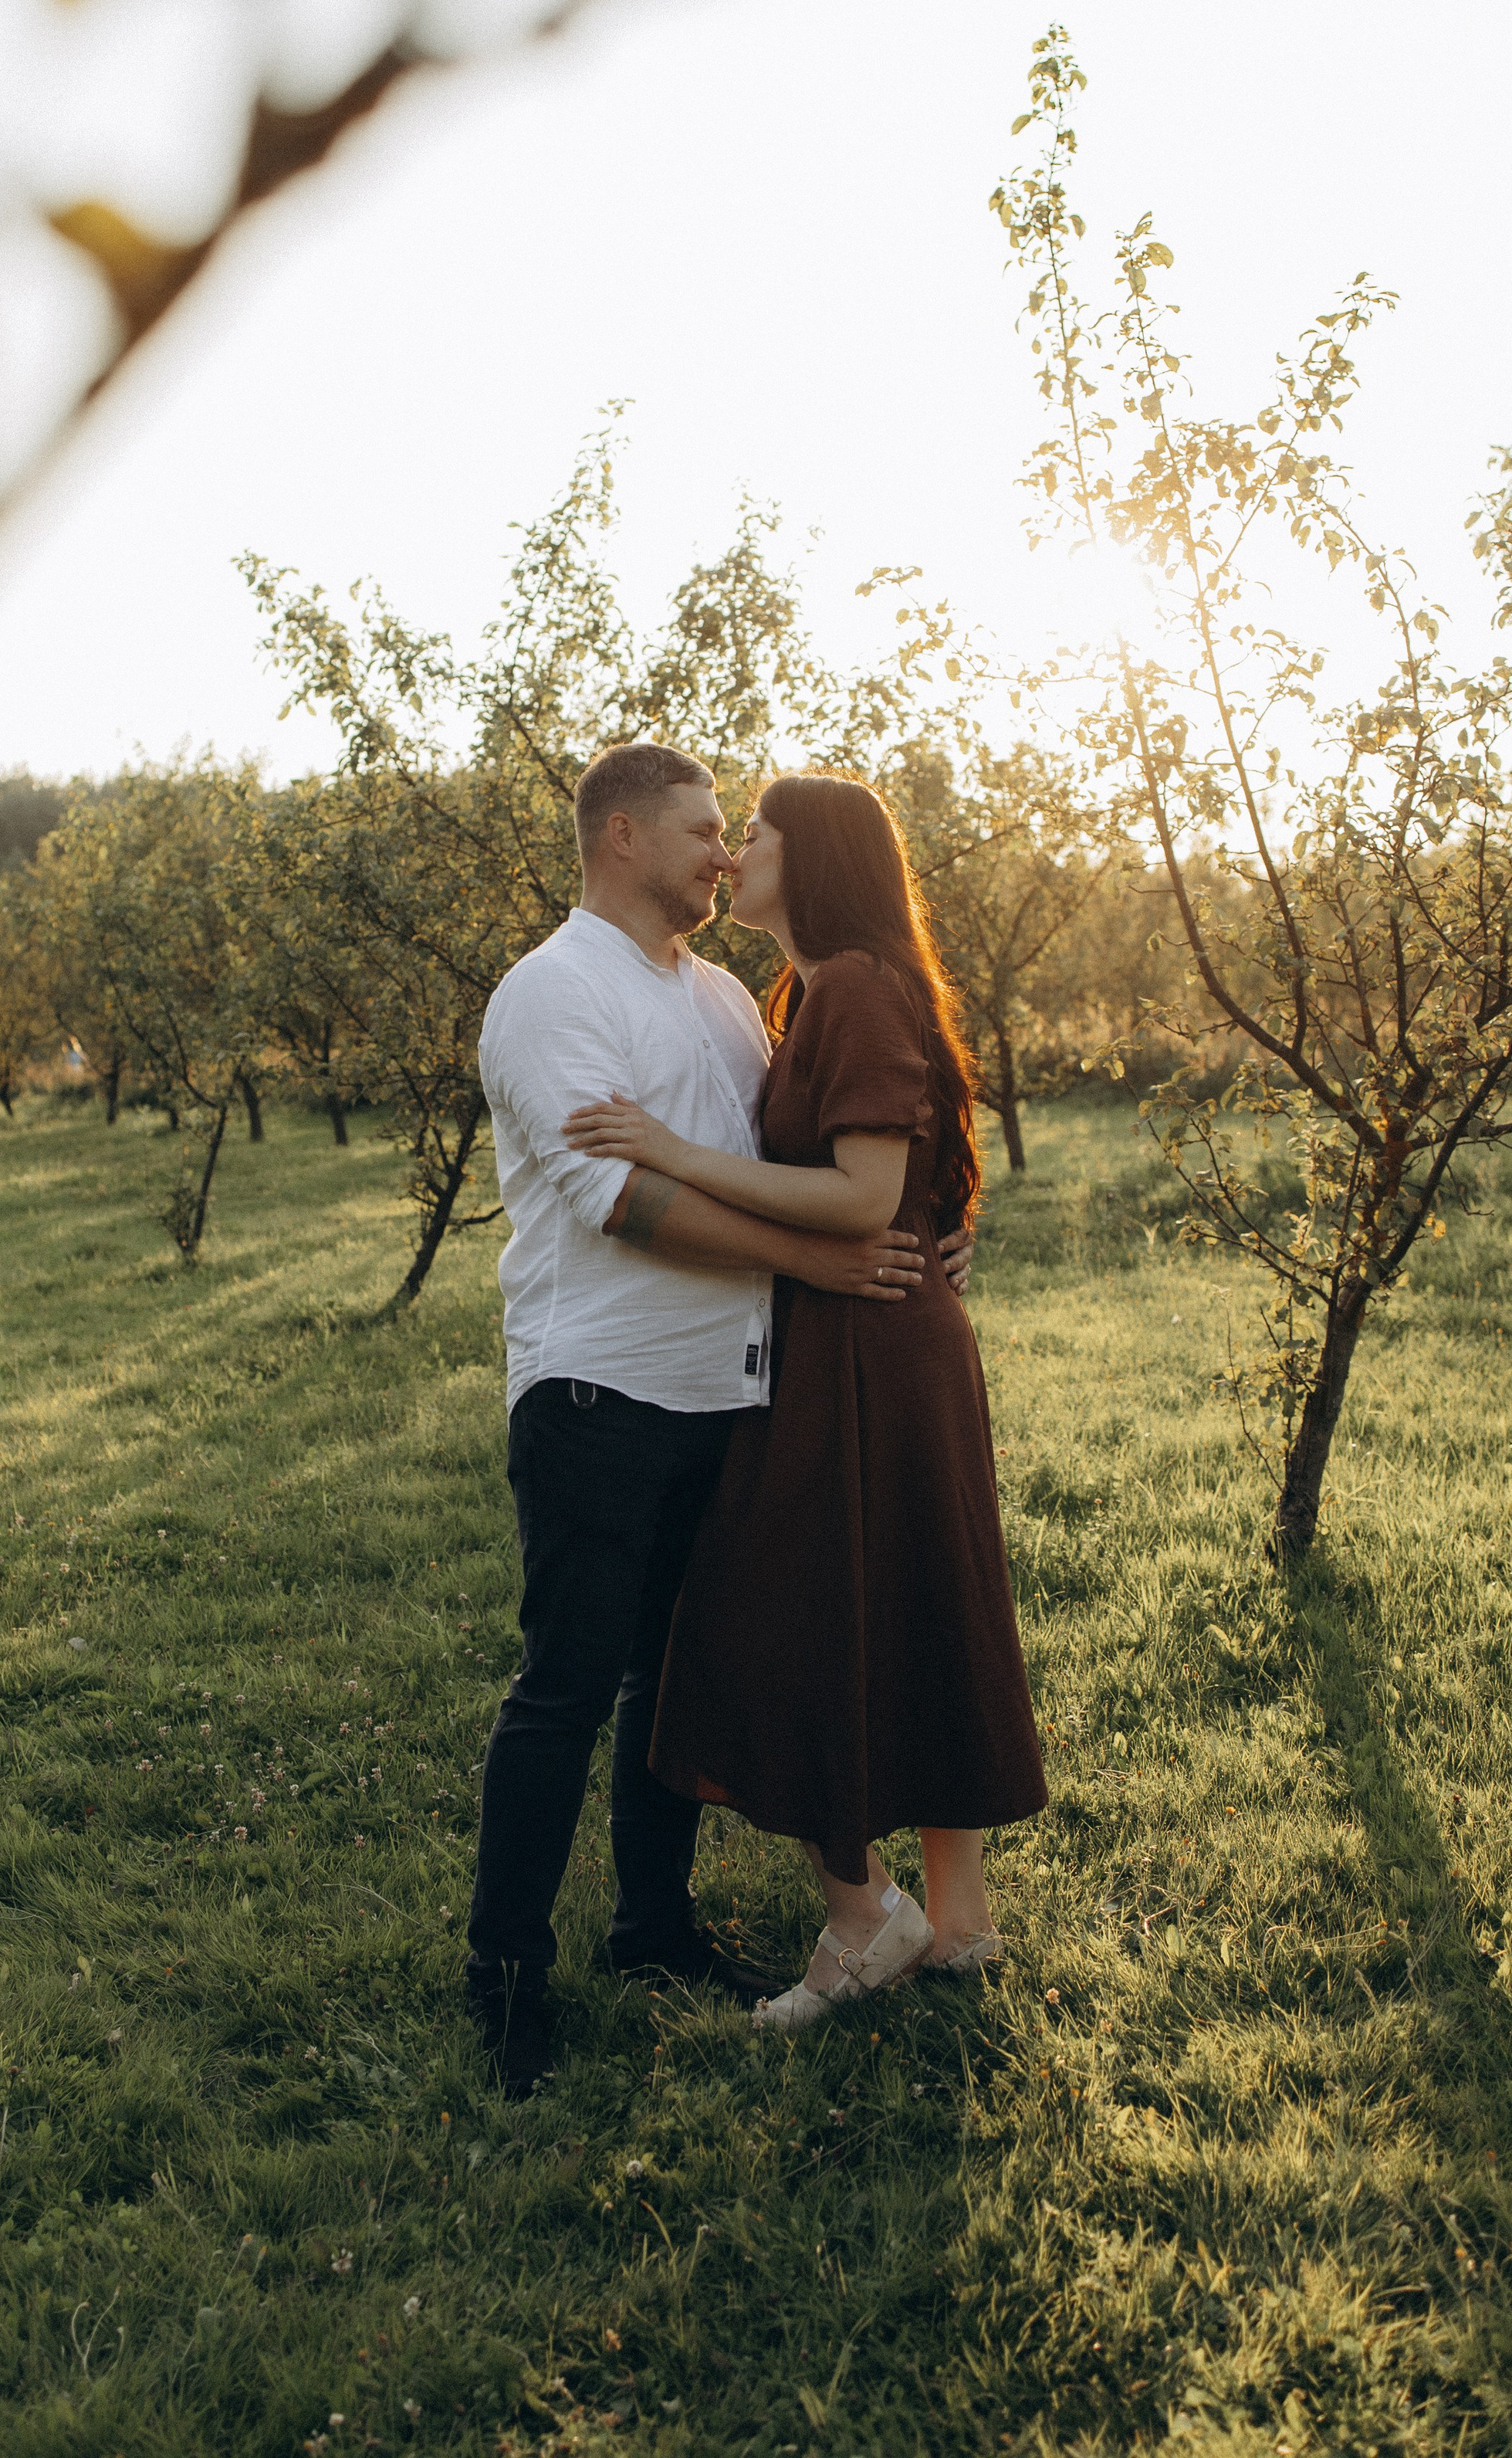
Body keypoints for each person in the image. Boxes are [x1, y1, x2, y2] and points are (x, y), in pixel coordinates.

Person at [468, 743, 974, 2096]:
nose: (722, 852)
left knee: (667, 1684)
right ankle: (506, 1982)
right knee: (568, 1687)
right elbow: (620, 1202)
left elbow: (814, 1162)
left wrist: (927, 1231)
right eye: (701, 830)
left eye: (731, 832)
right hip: (599, 1387)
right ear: (622, 836)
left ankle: (653, 1931)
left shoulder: (726, 999)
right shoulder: (549, 992)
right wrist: (827, 1261)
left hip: (734, 1390)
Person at [563, 773, 1047, 2030]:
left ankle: (868, 1917)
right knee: (910, 1597)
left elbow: (865, 1197)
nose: (733, 856)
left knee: (795, 1610)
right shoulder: (812, 991)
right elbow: (901, 1177)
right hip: (865, 1335)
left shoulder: (853, 988)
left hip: (865, 1345)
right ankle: (956, 1922)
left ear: (813, 856)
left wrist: (667, 1151)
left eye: (755, 835)